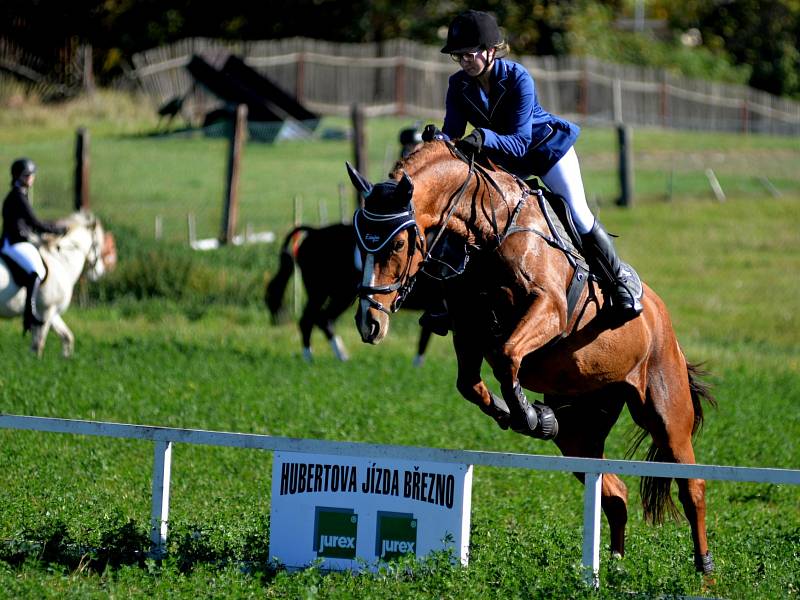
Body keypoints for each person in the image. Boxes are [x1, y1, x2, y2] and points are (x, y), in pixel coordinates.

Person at [422, 9, 643, 325]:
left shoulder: (517, 78)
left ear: (490, 50)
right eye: (458, 56)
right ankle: (452, 301)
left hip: (545, 151)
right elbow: (454, 132)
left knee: (577, 215)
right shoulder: (458, 85)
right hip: (505, 161)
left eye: (469, 53)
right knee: (473, 217)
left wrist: (482, 138)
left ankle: (620, 282)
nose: (464, 61)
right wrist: (439, 138)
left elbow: (520, 141)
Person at [1, 158, 67, 332]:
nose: (31, 178)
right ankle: (29, 315)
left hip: (18, 240)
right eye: (27, 175)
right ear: (19, 177)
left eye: (32, 174)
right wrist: (56, 229)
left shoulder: (20, 194)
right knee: (35, 271)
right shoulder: (18, 197)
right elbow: (34, 222)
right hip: (14, 243)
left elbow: (30, 223)